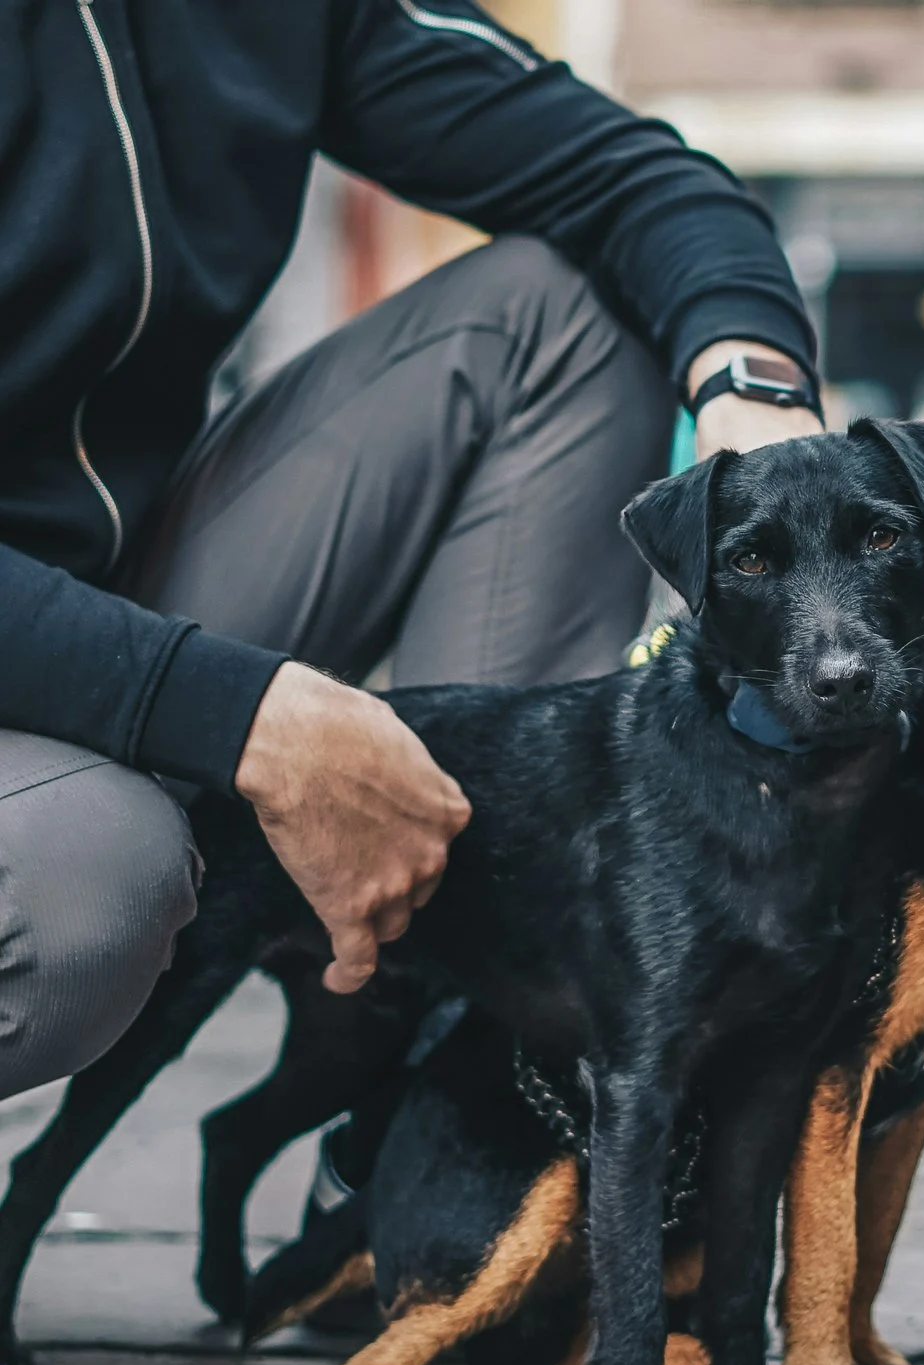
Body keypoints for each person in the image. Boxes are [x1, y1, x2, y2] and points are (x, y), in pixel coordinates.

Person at [0, 0, 826, 1125]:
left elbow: (631, 177)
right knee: (81, 886)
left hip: (101, 596)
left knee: (568, 313)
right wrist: (247, 717)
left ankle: (451, 1124)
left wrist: (753, 391)